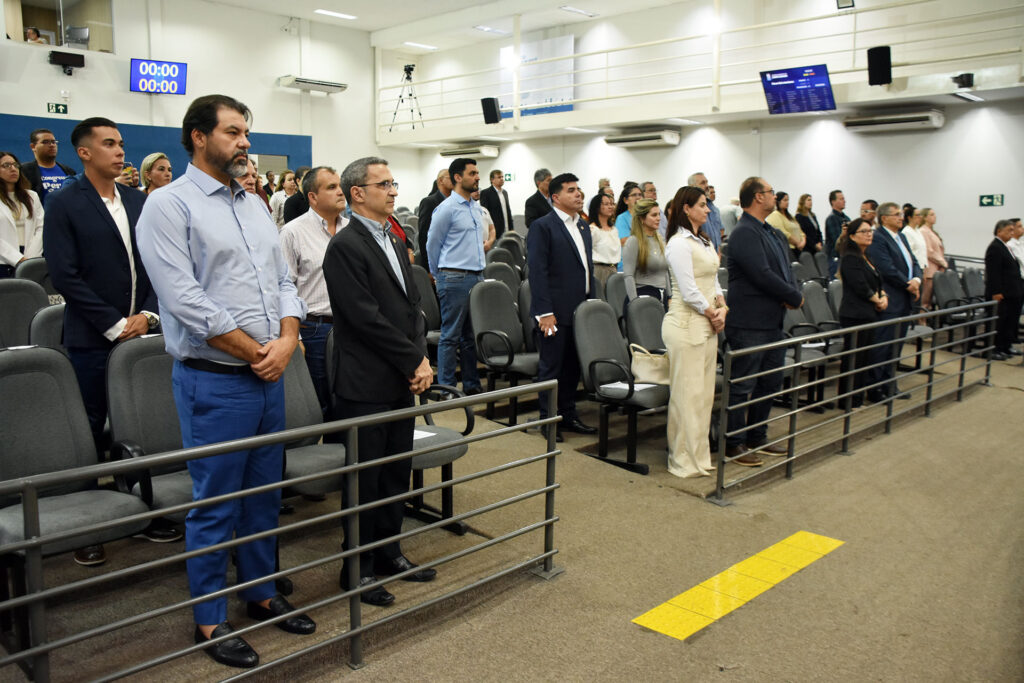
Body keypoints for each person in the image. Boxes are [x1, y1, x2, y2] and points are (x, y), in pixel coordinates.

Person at [136, 95, 315, 669]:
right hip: (215, 380)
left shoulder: (256, 205)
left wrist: (285, 342)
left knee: (265, 496)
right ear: (198, 137)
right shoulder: (168, 205)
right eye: (234, 133)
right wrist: (254, 350)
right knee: (216, 504)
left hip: (269, 374)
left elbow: (285, 281)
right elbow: (184, 299)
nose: (245, 143)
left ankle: (261, 592)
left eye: (247, 132)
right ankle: (210, 617)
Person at [43, 117, 176, 566]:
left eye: (121, 144)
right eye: (109, 144)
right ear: (84, 153)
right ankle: (88, 523)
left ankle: (147, 507)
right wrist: (116, 324)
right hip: (94, 336)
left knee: (138, 423)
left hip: (143, 328)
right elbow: (64, 274)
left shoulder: (139, 200)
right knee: (89, 425)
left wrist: (149, 314)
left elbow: (161, 262)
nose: (120, 152)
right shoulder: (65, 203)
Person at [322, 155, 437, 608]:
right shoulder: (346, 246)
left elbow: (409, 308)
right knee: (365, 481)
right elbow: (365, 318)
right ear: (357, 194)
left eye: (393, 182)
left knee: (395, 473)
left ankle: (389, 552)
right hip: (365, 382)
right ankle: (357, 569)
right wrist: (414, 359)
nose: (393, 190)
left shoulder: (394, 235)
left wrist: (420, 356)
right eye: (383, 184)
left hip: (399, 377)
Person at [724, 177, 804, 467]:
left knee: (769, 383)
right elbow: (761, 273)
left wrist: (792, 292)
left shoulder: (771, 231)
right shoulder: (744, 232)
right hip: (749, 322)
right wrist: (792, 296)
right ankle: (733, 443)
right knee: (743, 385)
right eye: (771, 192)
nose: (775, 195)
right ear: (758, 197)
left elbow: (786, 270)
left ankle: (757, 436)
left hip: (772, 320)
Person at [526, 172, 597, 443]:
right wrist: (544, 312)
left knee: (572, 368)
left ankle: (568, 414)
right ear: (556, 197)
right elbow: (538, 272)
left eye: (579, 189)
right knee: (551, 367)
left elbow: (586, 268)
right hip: (553, 312)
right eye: (571, 190)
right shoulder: (543, 226)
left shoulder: (582, 226)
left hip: (580, 311)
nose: (578, 194)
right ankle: (547, 420)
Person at [662, 186, 726, 478]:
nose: (708, 210)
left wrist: (722, 307)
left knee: (703, 396)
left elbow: (714, 280)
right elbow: (688, 291)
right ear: (686, 208)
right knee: (687, 395)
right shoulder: (678, 243)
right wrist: (712, 312)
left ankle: (701, 457)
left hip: (707, 321)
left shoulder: (704, 241)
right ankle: (682, 459)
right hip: (686, 323)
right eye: (702, 205)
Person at [280, 165, 349, 414]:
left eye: (340, 185)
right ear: (312, 196)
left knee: (346, 401)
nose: (340, 192)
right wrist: (293, 336)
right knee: (319, 404)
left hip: (350, 327)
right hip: (314, 329)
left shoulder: (351, 230)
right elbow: (284, 287)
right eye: (331, 187)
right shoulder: (293, 233)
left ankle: (345, 453)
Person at [427, 158, 485, 396]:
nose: (477, 177)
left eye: (478, 173)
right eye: (472, 173)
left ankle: (471, 386)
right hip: (454, 277)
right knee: (450, 336)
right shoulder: (447, 208)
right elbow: (432, 244)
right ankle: (447, 387)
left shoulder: (475, 207)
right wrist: (437, 274)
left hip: (476, 277)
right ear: (458, 178)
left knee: (470, 337)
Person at [865, 202, 922, 402]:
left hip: (904, 298)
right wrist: (908, 284)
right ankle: (875, 389)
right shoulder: (878, 238)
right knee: (882, 346)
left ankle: (890, 386)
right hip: (891, 299)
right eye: (896, 214)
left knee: (896, 346)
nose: (901, 217)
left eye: (901, 214)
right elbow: (886, 268)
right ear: (884, 218)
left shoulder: (902, 237)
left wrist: (916, 279)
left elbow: (914, 262)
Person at [836, 218, 887, 408]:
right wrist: (877, 300)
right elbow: (860, 286)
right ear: (852, 236)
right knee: (853, 359)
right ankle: (848, 401)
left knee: (864, 358)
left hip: (868, 312)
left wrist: (883, 297)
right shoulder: (850, 257)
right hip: (854, 313)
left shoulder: (867, 257)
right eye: (864, 231)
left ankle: (857, 398)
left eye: (870, 231)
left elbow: (877, 283)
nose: (869, 234)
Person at [0, 152, 45, 276]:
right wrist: (18, 259)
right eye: (6, 165)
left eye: (15, 165)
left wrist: (30, 259)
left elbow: (41, 227)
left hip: (31, 259)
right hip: (3, 262)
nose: (13, 169)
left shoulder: (31, 196)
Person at [984, 219, 1024, 360]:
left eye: (1013, 230)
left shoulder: (1005, 246)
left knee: (1009, 322)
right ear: (999, 231)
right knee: (999, 323)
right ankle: (995, 349)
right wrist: (996, 292)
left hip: (1012, 292)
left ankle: (1006, 347)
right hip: (1001, 293)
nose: (1012, 233)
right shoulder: (995, 247)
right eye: (1009, 230)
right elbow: (993, 272)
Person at [622, 199, 670, 310]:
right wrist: (635, 304)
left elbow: (665, 272)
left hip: (662, 297)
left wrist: (670, 296)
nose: (658, 218)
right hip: (643, 297)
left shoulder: (660, 240)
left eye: (659, 214)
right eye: (654, 215)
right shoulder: (633, 241)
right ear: (642, 218)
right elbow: (628, 276)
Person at [20, 128, 76, 206]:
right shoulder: (23, 171)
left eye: (53, 142)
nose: (51, 145)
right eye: (45, 142)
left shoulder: (69, 171)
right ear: (33, 146)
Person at [416, 168, 453, 270]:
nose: (455, 180)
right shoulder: (429, 202)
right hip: (439, 261)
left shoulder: (457, 202)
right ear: (440, 181)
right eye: (451, 178)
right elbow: (424, 236)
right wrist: (428, 267)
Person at [588, 191, 619, 289]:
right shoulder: (593, 229)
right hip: (598, 270)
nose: (610, 207)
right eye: (606, 204)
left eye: (612, 204)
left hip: (614, 269)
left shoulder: (614, 229)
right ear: (597, 207)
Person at [918, 207, 946, 310]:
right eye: (931, 214)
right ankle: (921, 320)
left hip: (936, 270)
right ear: (925, 217)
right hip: (930, 270)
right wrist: (943, 262)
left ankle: (926, 319)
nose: (935, 217)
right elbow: (929, 251)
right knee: (925, 300)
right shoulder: (923, 231)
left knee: (930, 301)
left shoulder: (932, 232)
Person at [688, 172, 724, 251]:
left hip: (717, 256)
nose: (707, 186)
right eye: (703, 183)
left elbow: (720, 230)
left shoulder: (714, 209)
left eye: (707, 182)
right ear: (692, 187)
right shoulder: (690, 210)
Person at [766, 191, 805, 259]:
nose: (787, 202)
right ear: (778, 201)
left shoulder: (790, 216)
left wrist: (802, 242)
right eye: (785, 200)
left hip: (799, 249)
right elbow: (783, 233)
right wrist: (798, 243)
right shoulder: (775, 215)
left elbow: (801, 232)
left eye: (788, 200)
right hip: (789, 250)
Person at [479, 168, 514, 239]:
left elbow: (508, 211)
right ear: (492, 180)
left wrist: (512, 228)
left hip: (507, 230)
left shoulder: (505, 192)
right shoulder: (486, 193)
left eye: (502, 177)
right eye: (499, 177)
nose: (501, 179)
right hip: (495, 231)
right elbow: (485, 213)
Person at [823, 189, 849, 276]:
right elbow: (837, 241)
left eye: (844, 198)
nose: (844, 201)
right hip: (836, 259)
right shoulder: (831, 219)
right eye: (841, 199)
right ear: (833, 202)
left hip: (846, 257)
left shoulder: (846, 218)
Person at [614, 182, 642, 248]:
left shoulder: (645, 216)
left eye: (640, 195)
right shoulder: (622, 218)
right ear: (626, 200)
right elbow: (624, 241)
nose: (638, 197)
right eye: (634, 195)